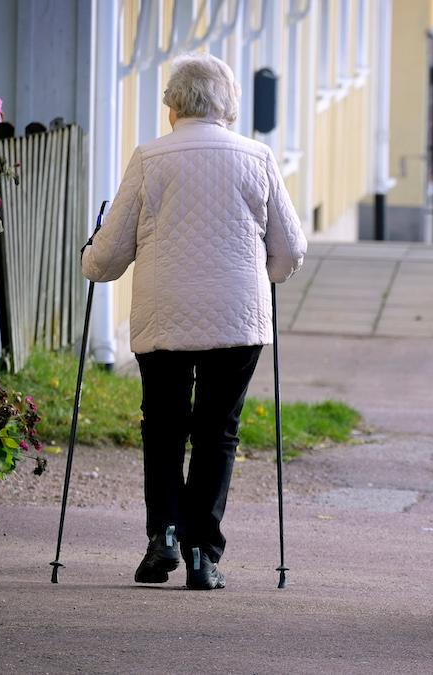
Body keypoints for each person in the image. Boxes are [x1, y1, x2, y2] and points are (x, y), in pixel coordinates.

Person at [81, 53, 307, 591]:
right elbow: (291, 249)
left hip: (163, 316)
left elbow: (108, 258)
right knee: (217, 431)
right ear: (228, 105)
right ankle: (203, 553)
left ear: (173, 105)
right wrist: (262, 276)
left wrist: (90, 257)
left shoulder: (149, 159)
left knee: (162, 427)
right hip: (237, 316)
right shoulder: (259, 157)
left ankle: (162, 536)